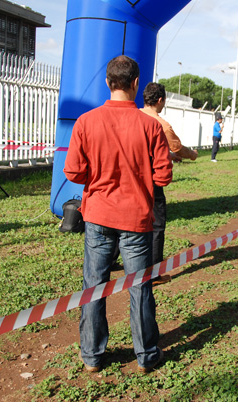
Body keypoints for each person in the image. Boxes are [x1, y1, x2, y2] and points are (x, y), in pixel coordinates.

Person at [64, 55, 172, 373]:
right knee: (140, 287)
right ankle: (147, 355)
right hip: (137, 220)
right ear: (136, 84)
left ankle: (92, 356)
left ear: (108, 82)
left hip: (97, 216)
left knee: (94, 286)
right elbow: (163, 177)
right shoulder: (151, 126)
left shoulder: (86, 122)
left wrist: (98, 176)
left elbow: (73, 171)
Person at [140, 82, 198, 283]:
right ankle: (154, 273)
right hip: (151, 181)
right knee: (157, 225)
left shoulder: (133, 116)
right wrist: (191, 155)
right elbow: (178, 147)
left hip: (128, 178)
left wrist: (168, 156)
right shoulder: (162, 125)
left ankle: (113, 260)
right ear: (160, 100)